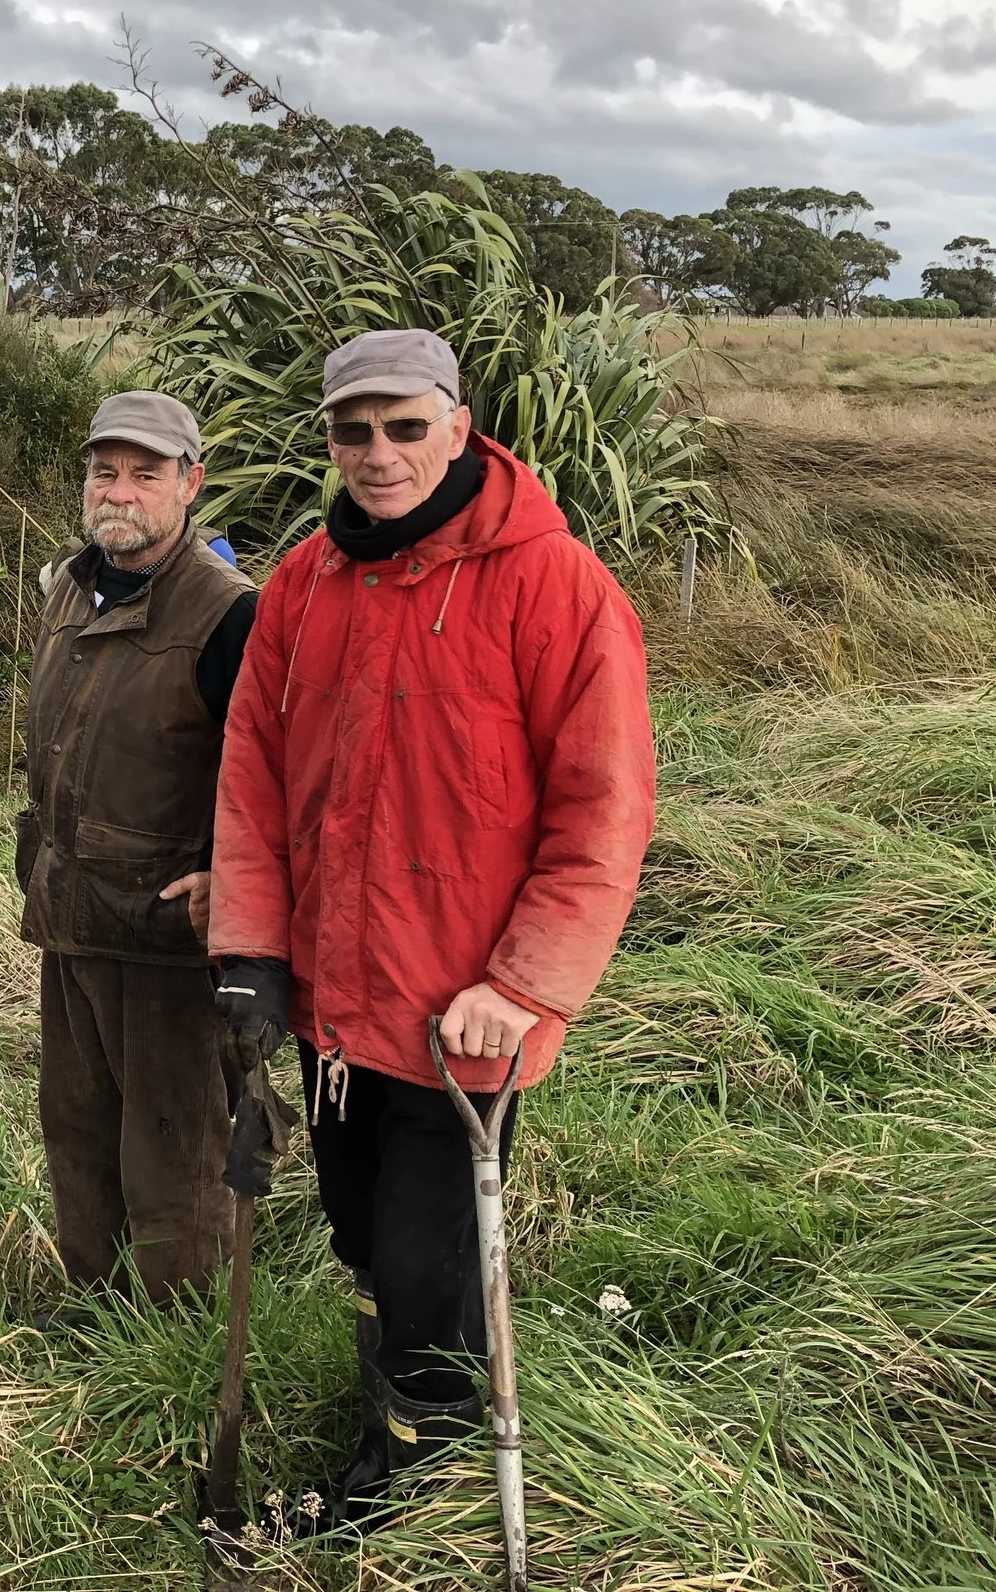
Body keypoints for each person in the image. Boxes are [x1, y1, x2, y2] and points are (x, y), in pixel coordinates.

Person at [208, 328, 655, 1527]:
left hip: (470, 1017)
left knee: (427, 1256)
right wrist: (251, 949)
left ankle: (425, 1470)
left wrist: (525, 983)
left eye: (405, 426)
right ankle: (392, 1415)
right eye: (353, 432)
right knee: (359, 1232)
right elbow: (251, 777)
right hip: (338, 1007)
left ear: (457, 425)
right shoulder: (303, 583)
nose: (379, 453)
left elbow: (604, 805)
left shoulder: (552, 582)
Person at [18, 391, 257, 1298]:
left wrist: (232, 876)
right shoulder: (72, 587)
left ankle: (172, 1352)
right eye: (104, 470)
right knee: (76, 1133)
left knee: (174, 1159)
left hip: (166, 938)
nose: (119, 491)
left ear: (190, 484)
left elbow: (274, 772)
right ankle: (90, 1321)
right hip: (68, 917)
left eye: (144, 474)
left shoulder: (226, 611)